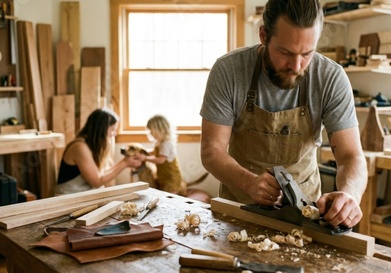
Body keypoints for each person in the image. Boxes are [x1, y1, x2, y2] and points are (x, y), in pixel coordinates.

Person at [199, 0, 368, 228]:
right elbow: (212, 151)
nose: (296, 66)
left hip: (305, 214)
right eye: (286, 52)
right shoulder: (229, 70)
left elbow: (351, 157)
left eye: (307, 53)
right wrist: (249, 183)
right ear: (263, 36)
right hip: (239, 210)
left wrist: (350, 194)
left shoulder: (331, 78)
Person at [55, 108, 143, 195]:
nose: (114, 134)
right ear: (101, 129)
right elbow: (97, 181)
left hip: (81, 194)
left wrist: (124, 161)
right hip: (67, 197)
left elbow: (102, 173)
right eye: (112, 129)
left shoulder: (92, 146)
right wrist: (124, 164)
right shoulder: (80, 147)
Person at [138, 115, 186, 196]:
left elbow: (161, 160)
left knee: (170, 196)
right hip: (164, 176)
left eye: (151, 131)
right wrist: (144, 151)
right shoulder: (160, 143)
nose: (151, 133)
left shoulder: (166, 144)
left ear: (159, 130)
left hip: (171, 178)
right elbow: (154, 152)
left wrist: (145, 158)